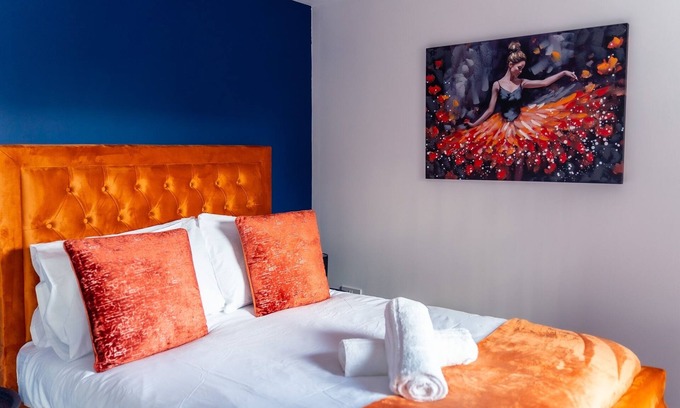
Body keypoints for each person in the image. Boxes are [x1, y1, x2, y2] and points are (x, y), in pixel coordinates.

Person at [469, 41, 577, 128]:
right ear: (510, 64)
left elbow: (544, 82)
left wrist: (564, 73)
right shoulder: (497, 85)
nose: (520, 71)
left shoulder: (522, 82)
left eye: (522, 69)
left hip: (521, 121)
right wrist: (475, 124)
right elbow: (490, 110)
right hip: (502, 123)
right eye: (519, 68)